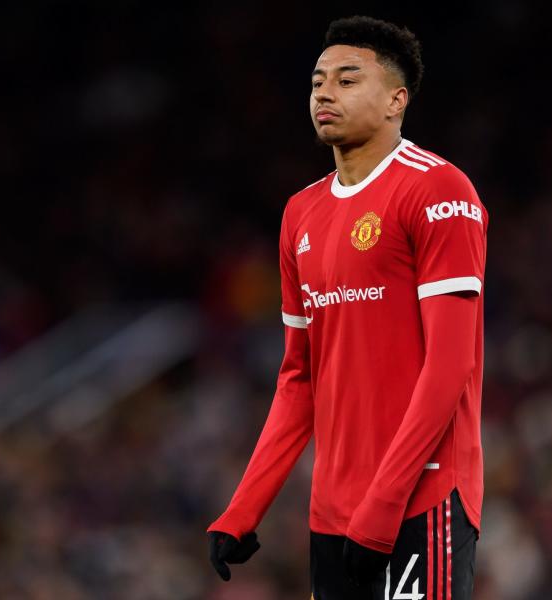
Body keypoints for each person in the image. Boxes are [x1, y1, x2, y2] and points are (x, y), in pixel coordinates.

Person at [207, 15, 487, 600]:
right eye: (316, 82)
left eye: (347, 79)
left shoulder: (438, 190)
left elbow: (450, 366)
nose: (324, 93)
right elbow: (298, 379)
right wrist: (243, 509)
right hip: (332, 515)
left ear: (395, 99)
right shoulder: (299, 215)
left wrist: (383, 506)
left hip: (421, 500)